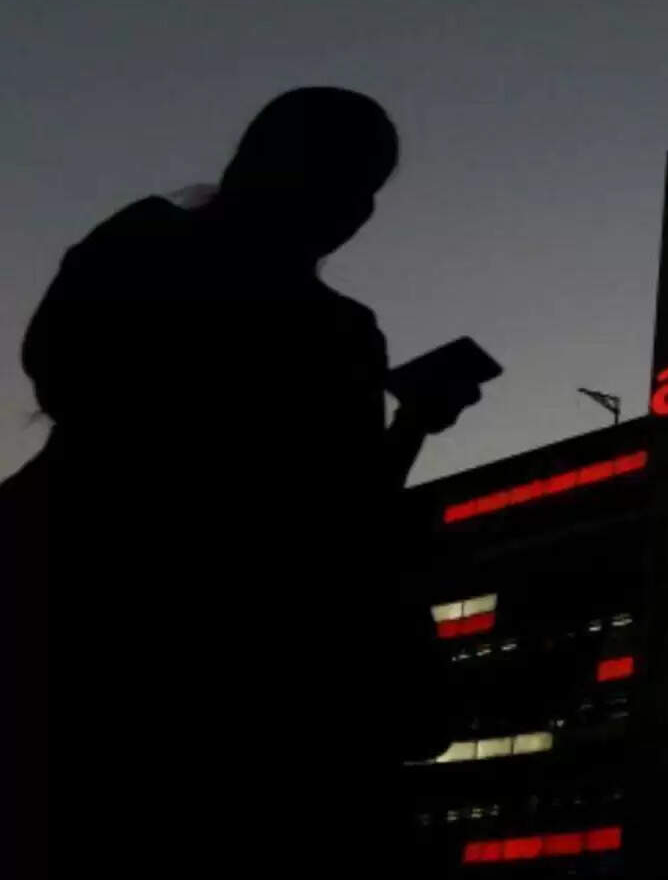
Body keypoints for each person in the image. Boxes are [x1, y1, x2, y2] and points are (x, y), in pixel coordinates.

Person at [4, 87, 473, 875]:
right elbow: (341, 514)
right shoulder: (336, 329)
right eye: (349, 181)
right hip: (213, 651)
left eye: (366, 190)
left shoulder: (154, 244)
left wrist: (413, 423)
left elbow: (339, 509)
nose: (357, 209)